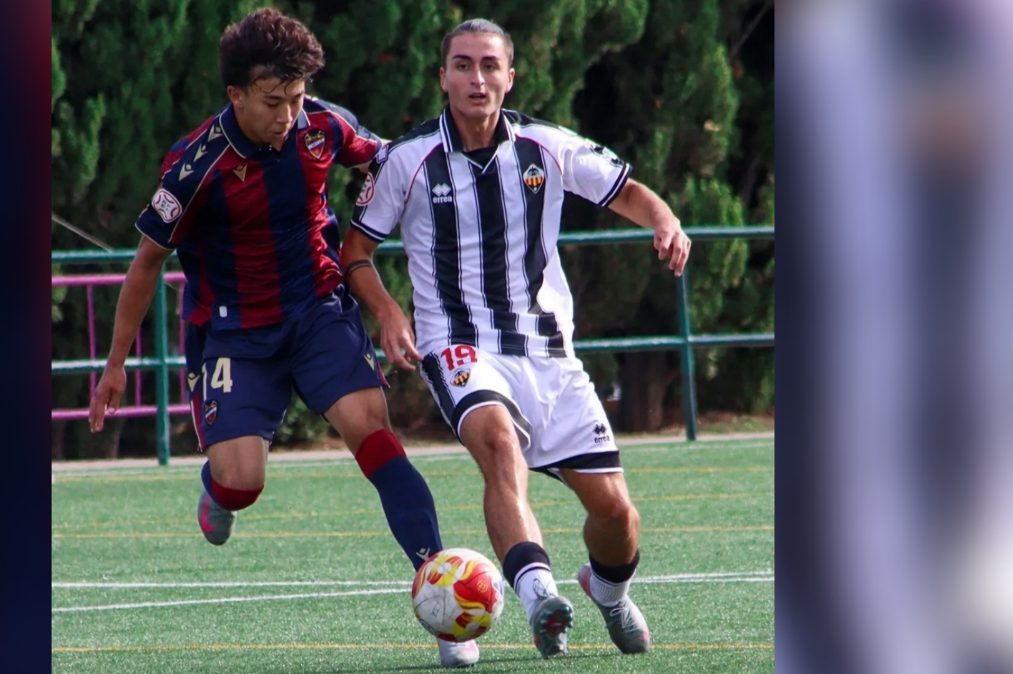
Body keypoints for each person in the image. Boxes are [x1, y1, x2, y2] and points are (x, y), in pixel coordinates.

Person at [87, 9, 480, 668]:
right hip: (234, 333)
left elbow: (393, 162)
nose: (289, 115)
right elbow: (147, 263)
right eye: (273, 102)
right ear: (236, 95)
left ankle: (442, 601)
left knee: (375, 434)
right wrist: (115, 365)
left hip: (318, 311)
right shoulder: (193, 165)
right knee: (242, 481)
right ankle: (220, 491)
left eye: (297, 98)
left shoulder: (323, 125)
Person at [341, 18, 692, 659]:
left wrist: (665, 220)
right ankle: (539, 600)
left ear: (510, 76)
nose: (476, 79)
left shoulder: (545, 146)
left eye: (488, 66)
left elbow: (628, 191)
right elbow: (355, 251)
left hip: (549, 353)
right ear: (443, 77)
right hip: (459, 345)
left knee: (616, 514)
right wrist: (388, 312)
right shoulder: (406, 161)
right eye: (462, 65)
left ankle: (608, 592)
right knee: (500, 448)